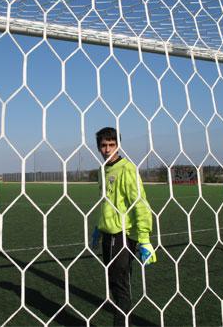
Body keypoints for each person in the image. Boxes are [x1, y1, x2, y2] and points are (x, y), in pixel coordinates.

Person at [91, 127, 157, 326]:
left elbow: (140, 203)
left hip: (122, 235)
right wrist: (98, 226)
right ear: (98, 147)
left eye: (112, 144)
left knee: (120, 286)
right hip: (107, 234)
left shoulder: (127, 168)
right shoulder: (103, 171)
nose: (108, 149)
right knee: (113, 283)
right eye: (104, 145)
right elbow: (107, 201)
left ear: (118, 145)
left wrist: (144, 239)